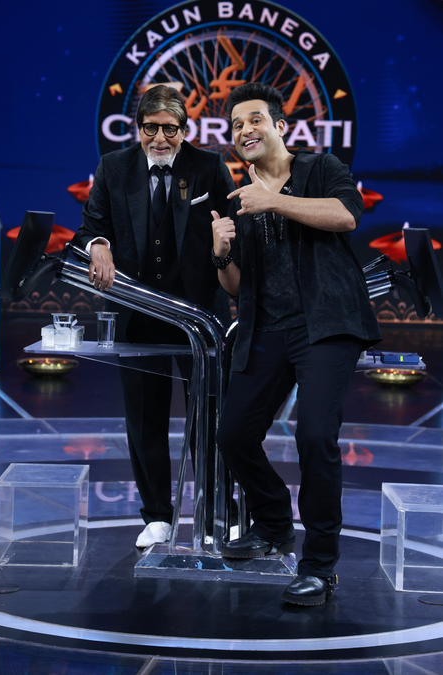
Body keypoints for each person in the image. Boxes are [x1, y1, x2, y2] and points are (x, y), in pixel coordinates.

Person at [211, 82, 382, 606]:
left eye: (255, 120)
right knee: (233, 433)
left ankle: (319, 567)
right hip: (267, 327)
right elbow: (238, 287)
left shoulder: (321, 168)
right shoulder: (240, 195)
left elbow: (346, 216)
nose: (245, 130)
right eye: (236, 125)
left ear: (280, 126)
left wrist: (275, 201)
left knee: (314, 436)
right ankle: (272, 523)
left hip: (326, 324)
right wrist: (221, 255)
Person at [72, 84, 236, 548]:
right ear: (138, 128)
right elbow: (92, 226)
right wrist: (98, 245)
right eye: (150, 128)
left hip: (199, 316)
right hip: (138, 315)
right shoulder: (114, 167)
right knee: (145, 420)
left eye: (170, 129)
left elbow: (235, 223)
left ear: (185, 129)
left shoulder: (209, 167)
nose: (160, 138)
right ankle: (158, 516)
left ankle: (217, 513)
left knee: (210, 420)